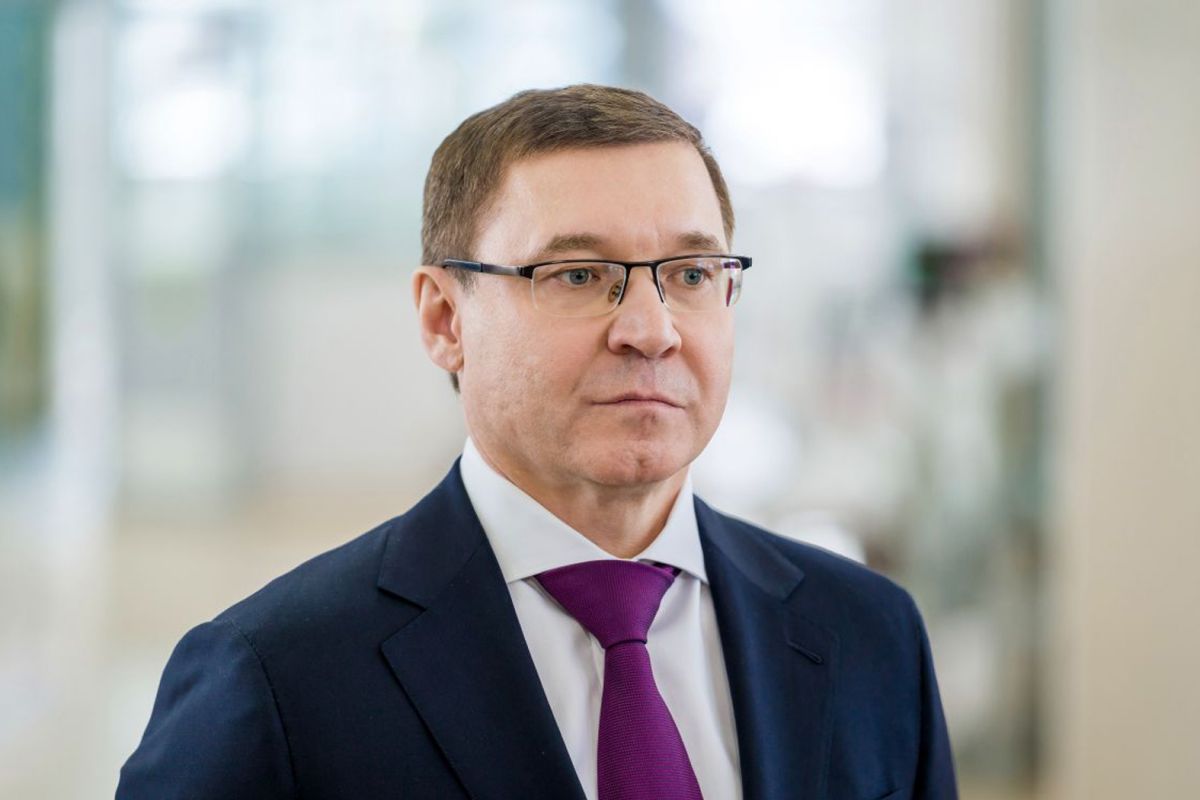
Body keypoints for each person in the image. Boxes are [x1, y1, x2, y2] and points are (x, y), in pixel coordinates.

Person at [117, 84, 957, 800]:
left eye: (692, 275)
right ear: (445, 320)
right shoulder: (277, 679)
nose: (651, 329)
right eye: (578, 275)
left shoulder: (870, 634)